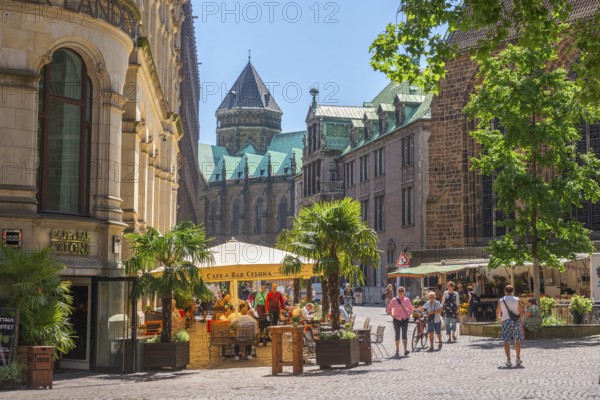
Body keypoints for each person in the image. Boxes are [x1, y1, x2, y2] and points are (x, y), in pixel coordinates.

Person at [496, 285, 524, 368]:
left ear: (505, 290)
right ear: (512, 291)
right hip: (515, 322)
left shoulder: (501, 300)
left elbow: (498, 312)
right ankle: (518, 359)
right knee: (517, 340)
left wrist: (500, 320)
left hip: (505, 321)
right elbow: (521, 312)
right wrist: (521, 322)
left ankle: (508, 360)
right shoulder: (516, 300)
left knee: (506, 340)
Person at [386, 286, 412, 357]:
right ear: (398, 292)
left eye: (402, 291)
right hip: (397, 319)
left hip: (405, 319)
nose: (401, 293)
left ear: (404, 292)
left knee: (404, 334)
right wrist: (391, 314)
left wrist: (408, 313)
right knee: (397, 335)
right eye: (399, 291)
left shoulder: (407, 300)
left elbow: (410, 308)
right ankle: (397, 349)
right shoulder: (394, 300)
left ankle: (405, 350)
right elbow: (389, 308)